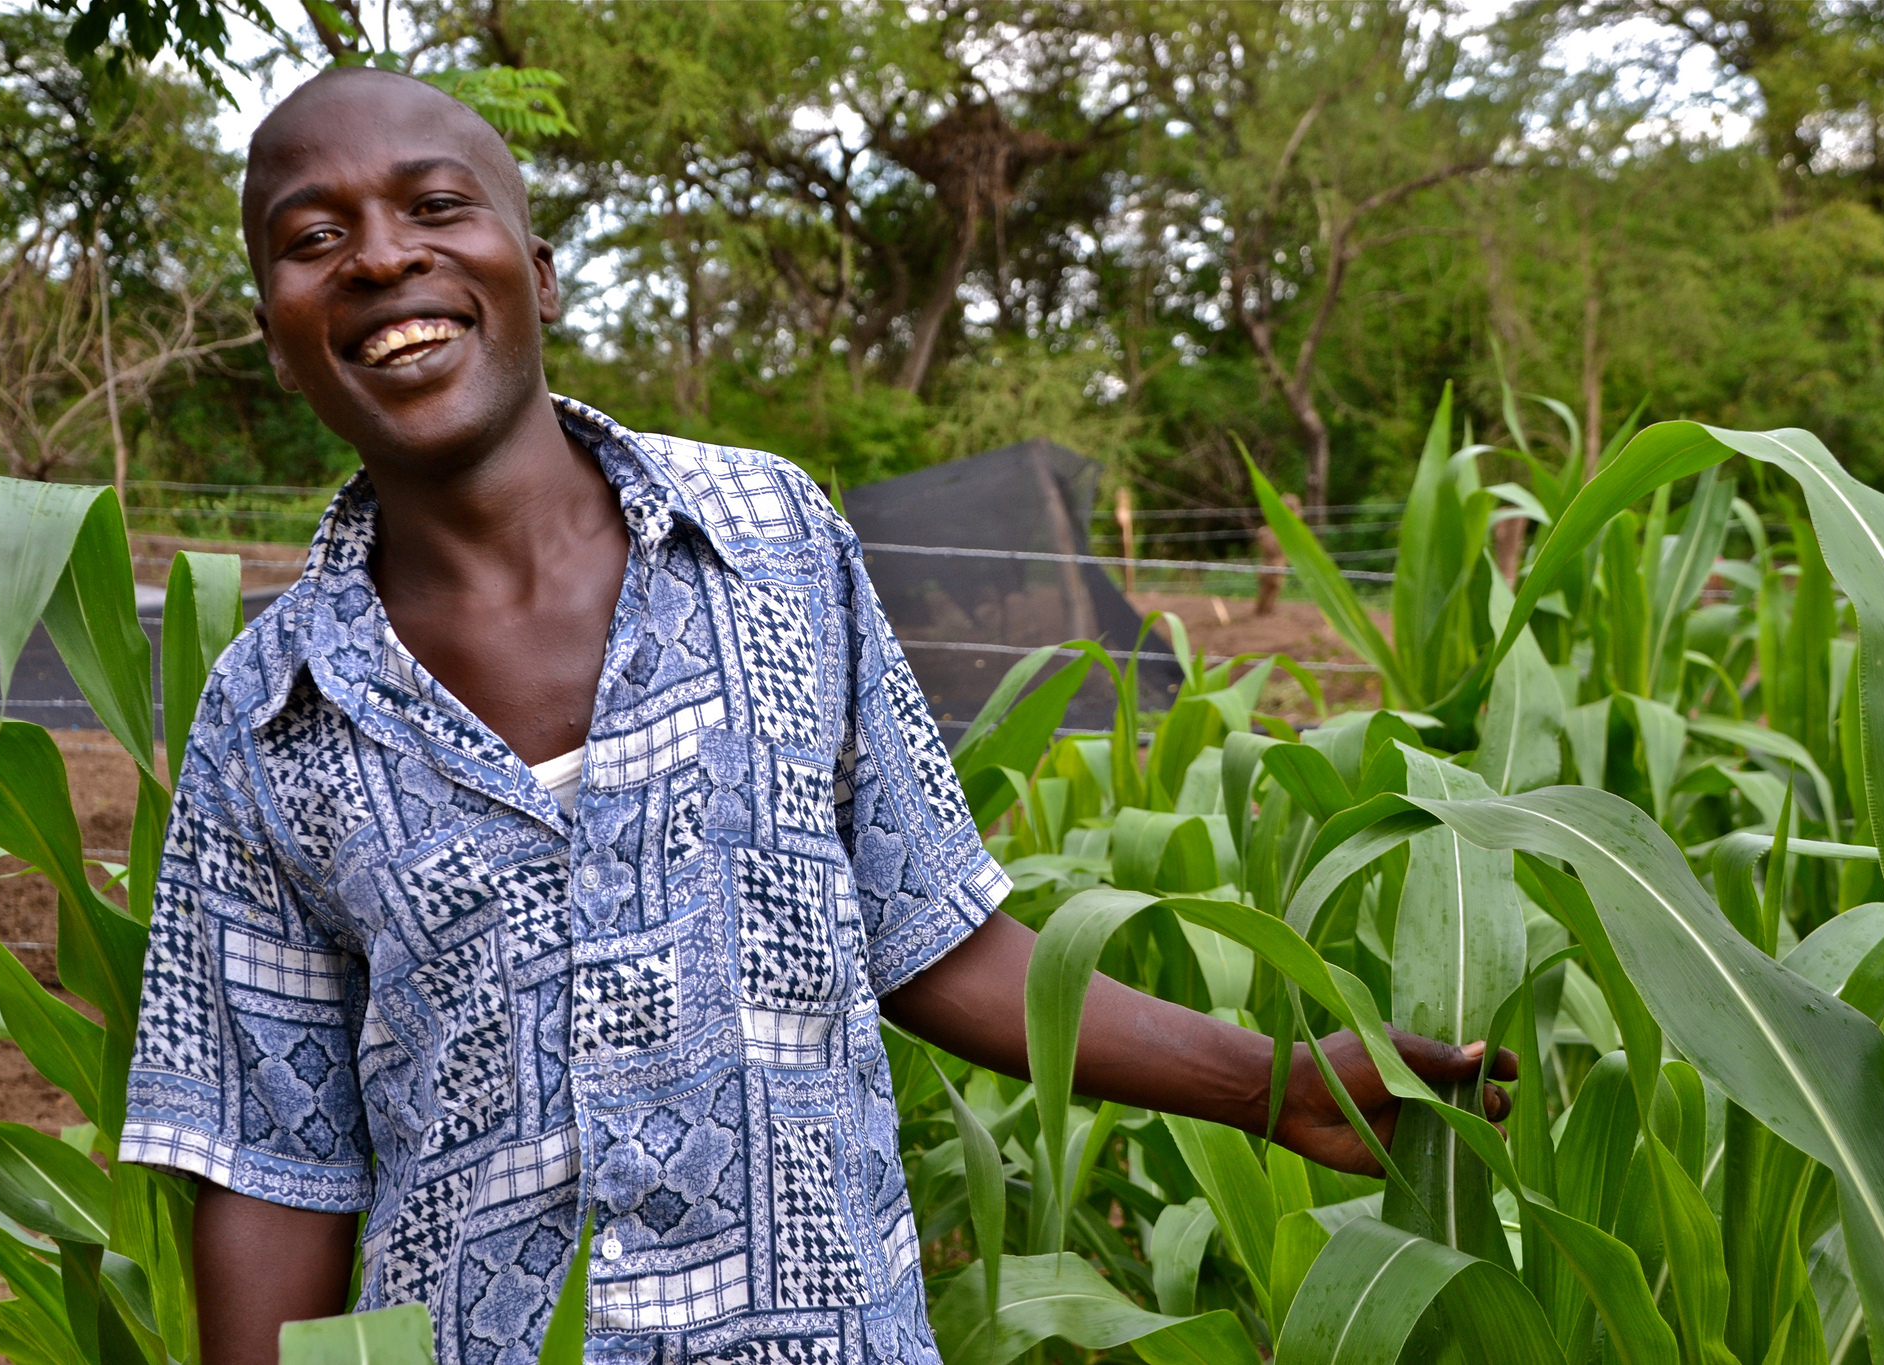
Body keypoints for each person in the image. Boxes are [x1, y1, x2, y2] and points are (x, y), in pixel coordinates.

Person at [119, 66, 1515, 1365]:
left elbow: (934, 936)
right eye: (313, 237)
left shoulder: (774, 541)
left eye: (434, 207)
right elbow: (270, 1169)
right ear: (277, 335)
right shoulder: (266, 719)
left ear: (535, 273)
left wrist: (1274, 1083)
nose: (376, 257)